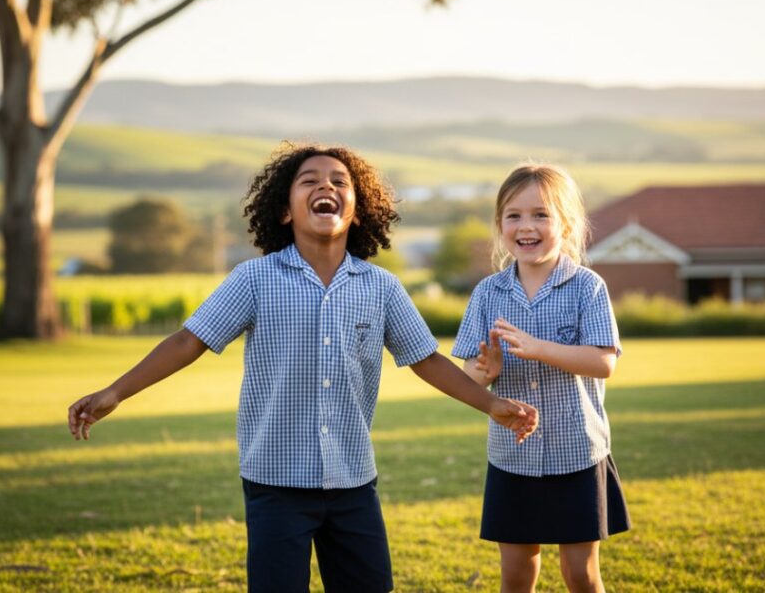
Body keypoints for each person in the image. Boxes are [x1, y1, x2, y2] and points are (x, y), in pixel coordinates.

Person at [67, 144, 538, 593]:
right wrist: (116, 392)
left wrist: (491, 403)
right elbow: (189, 340)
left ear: (357, 208)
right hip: (275, 483)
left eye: (339, 181)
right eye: (308, 180)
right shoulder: (254, 279)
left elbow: (426, 359)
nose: (325, 185)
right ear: (285, 210)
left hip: (353, 482)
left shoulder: (382, 288)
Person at [452, 163, 630, 593]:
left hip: (578, 454)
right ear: (500, 225)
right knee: (516, 573)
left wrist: (538, 348)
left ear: (566, 224)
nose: (526, 226)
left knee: (581, 574)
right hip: (512, 458)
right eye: (514, 215)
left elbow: (604, 361)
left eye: (541, 215)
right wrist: (484, 371)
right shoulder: (487, 293)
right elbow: (468, 376)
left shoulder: (588, 286)